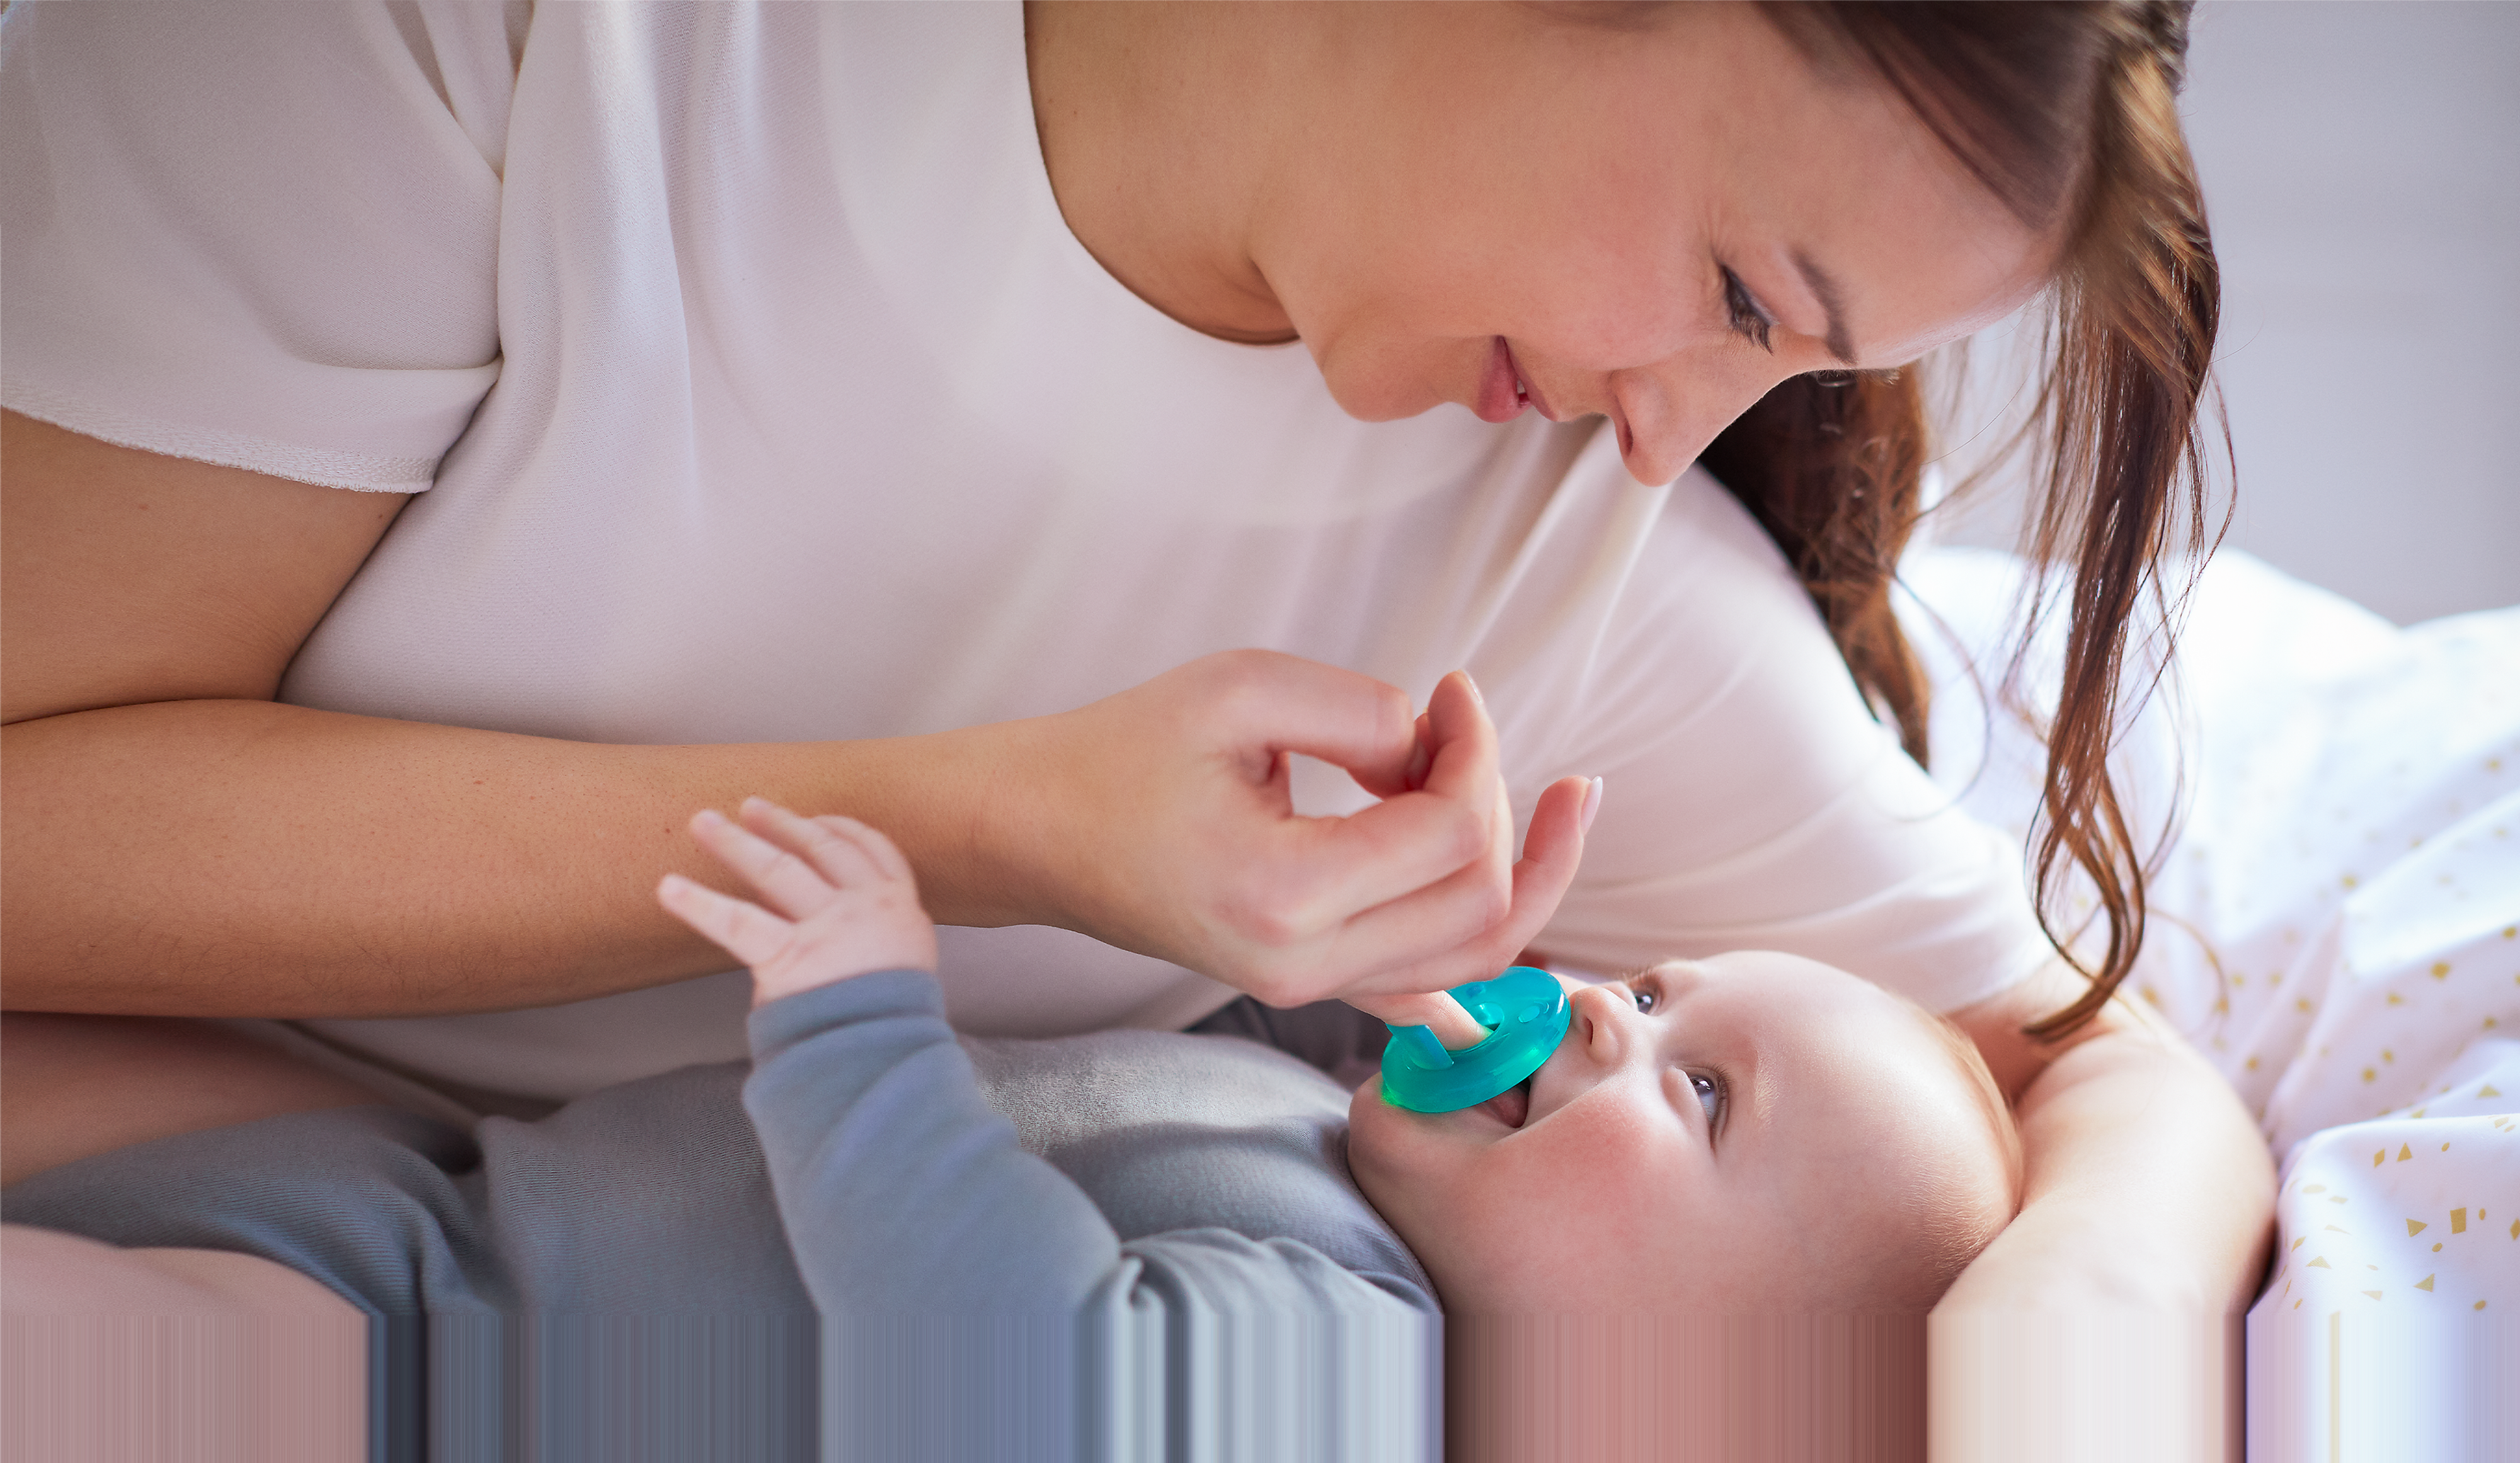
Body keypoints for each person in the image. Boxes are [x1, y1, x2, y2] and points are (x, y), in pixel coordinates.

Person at [0, 0, 2268, 1335]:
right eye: (1747, 295)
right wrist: (988, 830)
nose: (1677, 434)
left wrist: (2081, 1339)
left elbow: (2092, 1081)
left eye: (1784, 363)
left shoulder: (1565, 560)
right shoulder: (527, 55)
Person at [0, 795, 2020, 1459]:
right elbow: (1175, 1080)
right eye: (1658, 989)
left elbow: (1006, 1348)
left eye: (1699, 1091)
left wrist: (863, 1024)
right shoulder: (1335, 1147)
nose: (1602, 1007)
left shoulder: (1343, 1366)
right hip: (439, 1201)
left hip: (422, 1365)